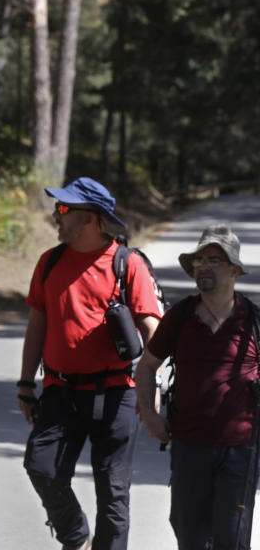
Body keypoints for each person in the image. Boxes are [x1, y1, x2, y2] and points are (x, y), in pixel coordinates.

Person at [16, 177, 162, 550]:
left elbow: (153, 330)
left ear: (94, 219)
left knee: (113, 495)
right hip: (60, 391)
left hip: (117, 395)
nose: (56, 216)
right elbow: (38, 325)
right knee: (41, 467)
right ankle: (75, 535)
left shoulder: (126, 264)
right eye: (58, 208)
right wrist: (24, 383)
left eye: (65, 210)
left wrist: (153, 388)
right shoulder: (49, 263)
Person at [136, 224, 259, 550]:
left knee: (231, 539)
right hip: (189, 445)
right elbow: (147, 366)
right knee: (188, 533)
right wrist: (149, 412)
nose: (203, 265)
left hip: (241, 449)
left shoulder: (254, 321)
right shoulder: (179, 317)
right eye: (199, 259)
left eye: (214, 260)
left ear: (234, 270)